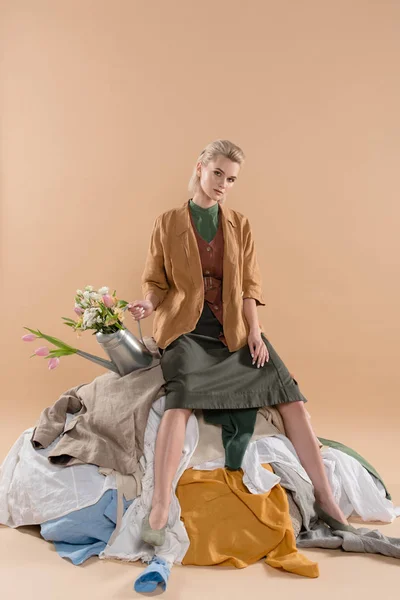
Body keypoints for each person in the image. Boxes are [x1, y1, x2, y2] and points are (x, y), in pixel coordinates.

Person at [128, 139, 349, 547]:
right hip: (186, 330)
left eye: (231, 179)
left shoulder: (240, 225)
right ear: (200, 168)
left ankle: (327, 501)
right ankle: (159, 507)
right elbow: (155, 280)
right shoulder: (167, 222)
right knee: (180, 401)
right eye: (217, 174)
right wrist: (148, 303)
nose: (223, 185)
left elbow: (248, 285)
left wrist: (256, 333)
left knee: (291, 396)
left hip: (232, 329)